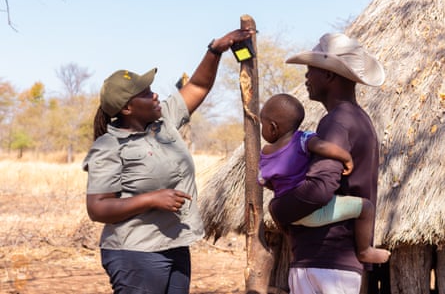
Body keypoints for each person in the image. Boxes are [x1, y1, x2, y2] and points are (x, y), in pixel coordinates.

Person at [82, 28, 254, 294]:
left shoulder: (164, 122)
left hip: (174, 245)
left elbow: (197, 86)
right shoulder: (109, 147)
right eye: (145, 93)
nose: (155, 96)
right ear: (127, 109)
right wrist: (151, 199)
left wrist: (215, 50)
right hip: (135, 253)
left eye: (152, 89)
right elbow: (97, 208)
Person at [268, 33, 389, 294]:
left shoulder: (337, 122)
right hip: (332, 264)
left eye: (311, 70)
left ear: (329, 76)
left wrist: (278, 209)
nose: (306, 77)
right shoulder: (356, 119)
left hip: (324, 261)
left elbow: (320, 188)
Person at [258, 93, 390, 264]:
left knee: (274, 207)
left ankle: (289, 239)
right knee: (366, 207)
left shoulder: (265, 154)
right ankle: (365, 250)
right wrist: (345, 157)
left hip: (288, 213)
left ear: (272, 127)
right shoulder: (302, 139)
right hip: (313, 212)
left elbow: (265, 181)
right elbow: (322, 146)